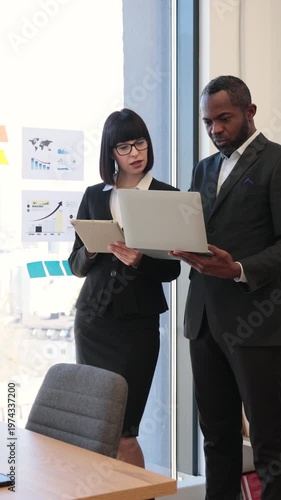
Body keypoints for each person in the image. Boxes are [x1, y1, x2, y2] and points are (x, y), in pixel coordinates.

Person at [171, 75, 281, 499]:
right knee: (216, 440)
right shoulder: (204, 168)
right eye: (207, 122)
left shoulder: (275, 162)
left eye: (224, 119)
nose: (215, 129)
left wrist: (237, 268)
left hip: (257, 326)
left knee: (270, 446)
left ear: (249, 113)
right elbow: (195, 232)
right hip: (204, 321)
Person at [68, 108, 181, 468]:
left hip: (137, 328)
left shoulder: (167, 196)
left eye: (140, 143)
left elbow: (173, 269)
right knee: (95, 428)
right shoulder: (94, 196)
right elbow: (74, 265)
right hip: (92, 323)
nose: (135, 153)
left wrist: (140, 261)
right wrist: (90, 247)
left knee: (124, 431)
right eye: (124, 147)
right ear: (110, 153)